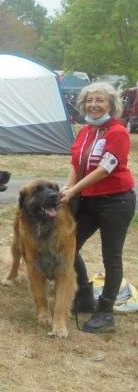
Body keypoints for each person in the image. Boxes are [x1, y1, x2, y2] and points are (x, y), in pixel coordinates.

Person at [59, 82, 135, 333]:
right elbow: (75, 163)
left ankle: (105, 312)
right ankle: (84, 297)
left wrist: (74, 190)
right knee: (69, 246)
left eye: (100, 100)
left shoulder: (118, 132)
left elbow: (105, 169)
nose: (93, 105)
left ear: (111, 105)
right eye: (89, 100)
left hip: (116, 201)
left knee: (111, 256)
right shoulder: (84, 132)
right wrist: (68, 189)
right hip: (88, 200)